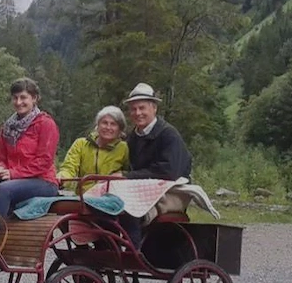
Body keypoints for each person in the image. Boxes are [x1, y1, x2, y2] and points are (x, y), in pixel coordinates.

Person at [0, 77, 60, 236]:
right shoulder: (8, 126)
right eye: (15, 97)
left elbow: (44, 162)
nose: (19, 102)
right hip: (13, 178)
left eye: (23, 97)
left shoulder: (46, 124)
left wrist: (13, 173)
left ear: (34, 98)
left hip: (43, 181)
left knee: (4, 189)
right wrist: (0, 167)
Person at [119, 82, 193, 246]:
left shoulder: (169, 135)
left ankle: (132, 253)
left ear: (154, 108)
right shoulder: (132, 138)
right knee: (110, 207)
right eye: (133, 109)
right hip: (144, 191)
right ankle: (107, 250)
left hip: (173, 192)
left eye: (142, 108)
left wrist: (127, 176)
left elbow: (168, 172)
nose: (137, 113)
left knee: (131, 212)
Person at [56, 105, 129, 192]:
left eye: (113, 124)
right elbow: (69, 168)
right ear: (98, 125)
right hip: (83, 196)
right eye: (104, 123)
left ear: (120, 129)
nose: (108, 127)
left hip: (110, 196)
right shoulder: (81, 144)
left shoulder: (124, 148)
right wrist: (62, 177)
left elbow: (130, 172)